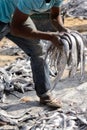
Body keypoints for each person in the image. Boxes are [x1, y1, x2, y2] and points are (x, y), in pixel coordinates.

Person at [0, 0, 67, 108]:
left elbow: (55, 15)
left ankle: (44, 94)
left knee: (37, 50)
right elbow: (15, 29)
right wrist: (49, 36)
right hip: (2, 13)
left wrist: (62, 30)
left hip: (17, 15)